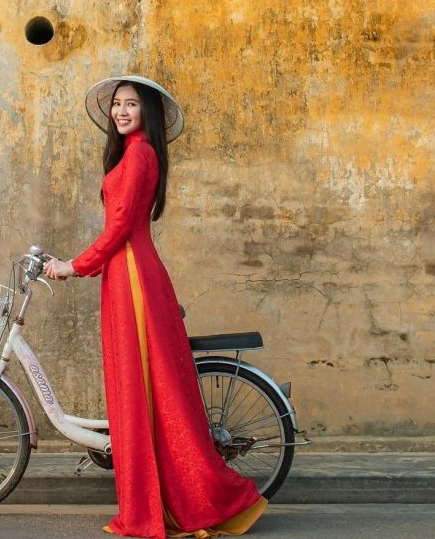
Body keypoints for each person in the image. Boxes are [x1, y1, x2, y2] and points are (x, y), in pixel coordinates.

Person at [43, 76, 267, 539]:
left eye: (131, 104)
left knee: (144, 389)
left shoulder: (141, 154)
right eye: (117, 104)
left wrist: (73, 266)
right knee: (143, 389)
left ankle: (183, 501)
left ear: (147, 111)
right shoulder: (130, 154)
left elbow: (120, 228)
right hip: (125, 276)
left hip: (133, 279)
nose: (121, 112)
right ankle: (159, 500)